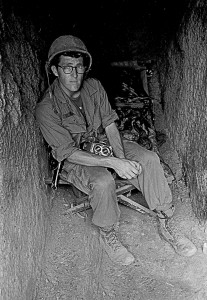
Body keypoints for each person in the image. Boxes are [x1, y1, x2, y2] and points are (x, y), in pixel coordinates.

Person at [35, 35, 197, 266]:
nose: (74, 74)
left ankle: (165, 219)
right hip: (76, 158)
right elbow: (68, 152)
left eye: (79, 67)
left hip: (102, 144)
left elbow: (110, 124)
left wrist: (121, 158)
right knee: (103, 182)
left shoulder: (94, 87)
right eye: (67, 68)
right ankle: (107, 233)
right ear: (54, 70)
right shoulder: (46, 108)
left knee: (148, 158)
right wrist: (114, 164)